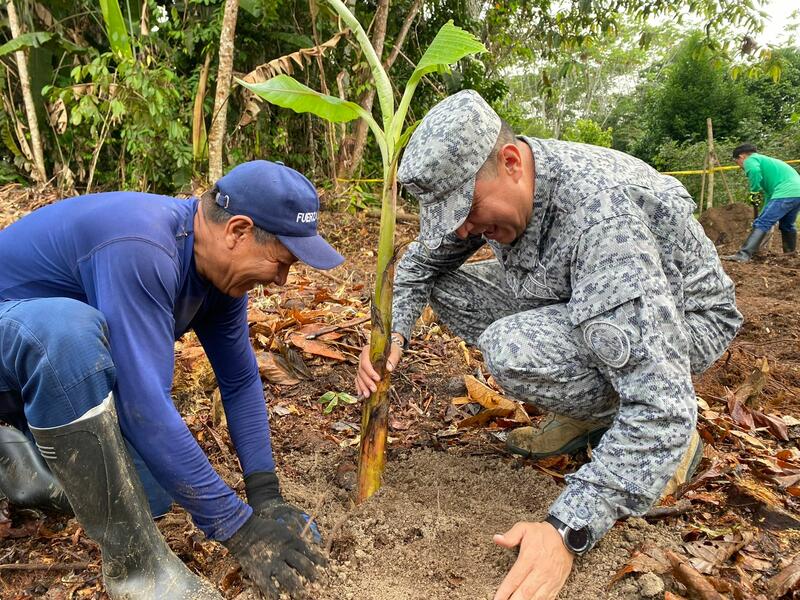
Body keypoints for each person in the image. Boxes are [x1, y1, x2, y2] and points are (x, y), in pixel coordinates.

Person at [355, 90, 743, 600]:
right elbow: (419, 266)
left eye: (467, 209)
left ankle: (638, 431)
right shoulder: (502, 189)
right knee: (446, 284)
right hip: (574, 292)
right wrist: (394, 334)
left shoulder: (600, 217)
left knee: (513, 349)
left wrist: (567, 529)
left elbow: (662, 406)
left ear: (511, 162)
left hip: (679, 320)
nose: (463, 229)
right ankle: (585, 412)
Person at [0, 160, 341, 599]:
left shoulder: (217, 277)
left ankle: (29, 465)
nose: (280, 280)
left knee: (149, 496)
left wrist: (266, 495)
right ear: (237, 231)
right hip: (22, 348)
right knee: (68, 330)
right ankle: (139, 576)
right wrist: (242, 531)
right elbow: (144, 409)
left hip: (42, 381)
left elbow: (238, 381)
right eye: (280, 262)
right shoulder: (142, 244)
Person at [723, 143, 800, 262]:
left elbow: (753, 171)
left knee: (763, 222)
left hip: (786, 192)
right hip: (796, 192)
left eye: (736, 161)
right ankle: (789, 255)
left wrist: (754, 191)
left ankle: (743, 254)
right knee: (787, 225)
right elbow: (770, 197)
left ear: (742, 156)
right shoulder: (766, 164)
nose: (739, 166)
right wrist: (762, 214)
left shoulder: (751, 159)